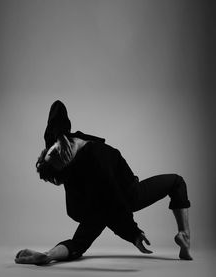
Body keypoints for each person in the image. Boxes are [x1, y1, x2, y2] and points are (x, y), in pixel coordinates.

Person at [15, 101, 193, 265]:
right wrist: (134, 234)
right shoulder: (97, 158)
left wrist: (60, 134)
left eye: (54, 153)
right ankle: (184, 234)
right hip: (125, 196)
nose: (61, 155)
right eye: (62, 161)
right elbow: (114, 202)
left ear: (49, 148)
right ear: (65, 168)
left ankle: (48, 255)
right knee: (176, 182)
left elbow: (57, 106)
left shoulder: (56, 141)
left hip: (95, 207)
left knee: (79, 243)